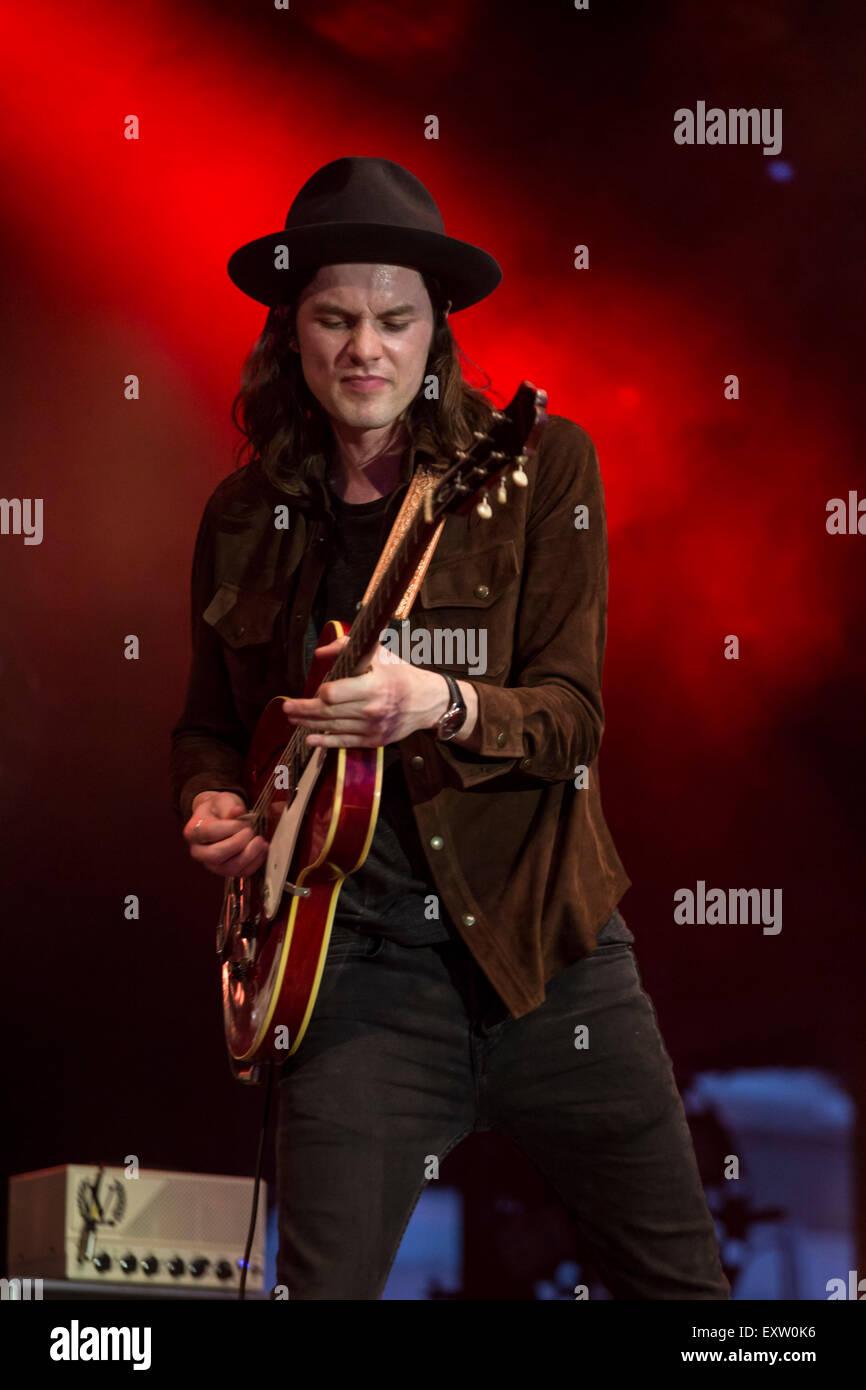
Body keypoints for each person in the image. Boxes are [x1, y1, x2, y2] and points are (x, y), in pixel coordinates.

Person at [170, 156, 730, 1301]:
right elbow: (207, 723)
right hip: (353, 979)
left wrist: (443, 702)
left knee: (687, 1304)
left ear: (435, 334)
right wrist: (211, 799)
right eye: (333, 318)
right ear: (292, 332)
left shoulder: (536, 468)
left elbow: (571, 720)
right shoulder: (240, 514)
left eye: (392, 319)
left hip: (551, 961)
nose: (363, 348)